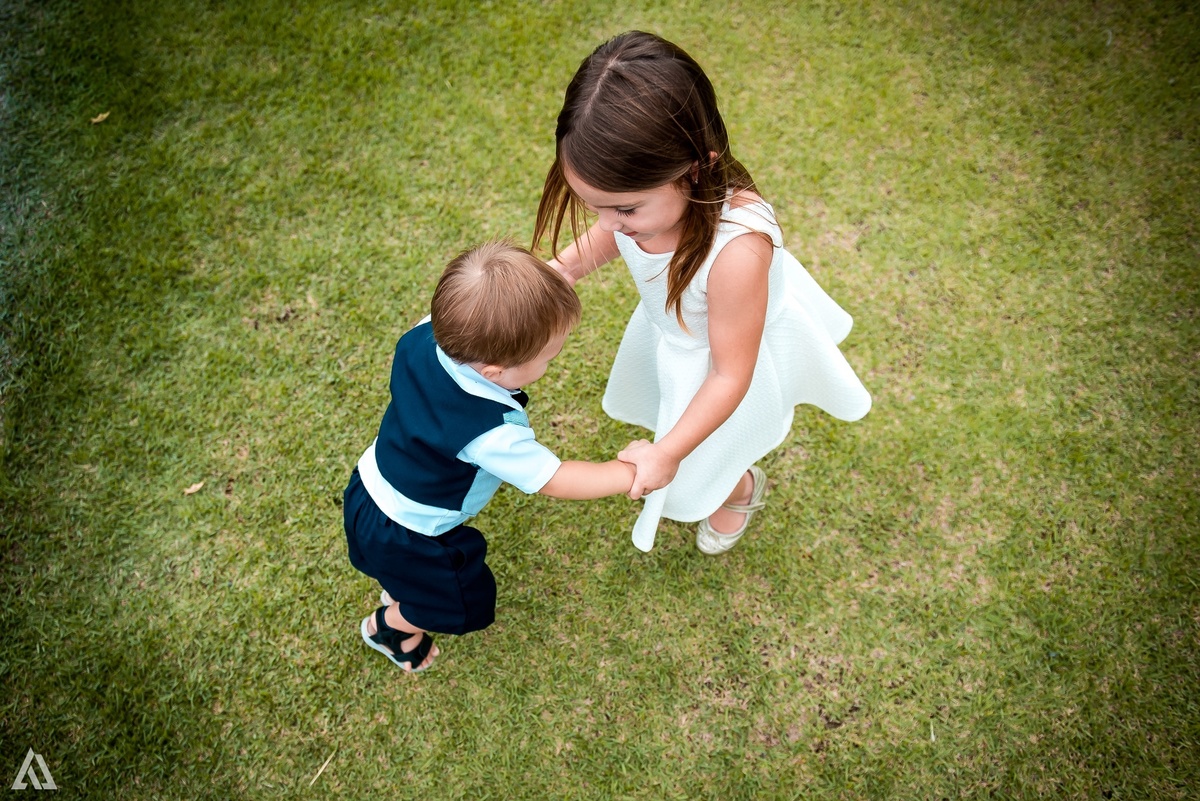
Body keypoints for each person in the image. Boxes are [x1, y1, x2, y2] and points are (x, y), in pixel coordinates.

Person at [533, 31, 871, 555]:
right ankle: (719, 471)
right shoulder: (634, 210)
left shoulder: (737, 253)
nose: (610, 224)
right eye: (594, 205)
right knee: (684, 432)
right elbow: (606, 236)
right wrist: (563, 269)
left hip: (725, 363)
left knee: (703, 456)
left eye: (625, 209)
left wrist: (667, 453)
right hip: (683, 339)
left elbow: (730, 374)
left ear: (695, 167)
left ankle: (739, 486)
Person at [343, 240, 636, 672]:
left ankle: (403, 587)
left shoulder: (429, 333)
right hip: (413, 530)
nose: (553, 359)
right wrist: (628, 472)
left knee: (403, 573)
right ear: (494, 373)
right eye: (550, 356)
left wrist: (538, 290)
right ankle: (390, 627)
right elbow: (554, 478)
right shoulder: (489, 432)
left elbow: (488, 306)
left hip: (369, 485)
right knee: (457, 602)